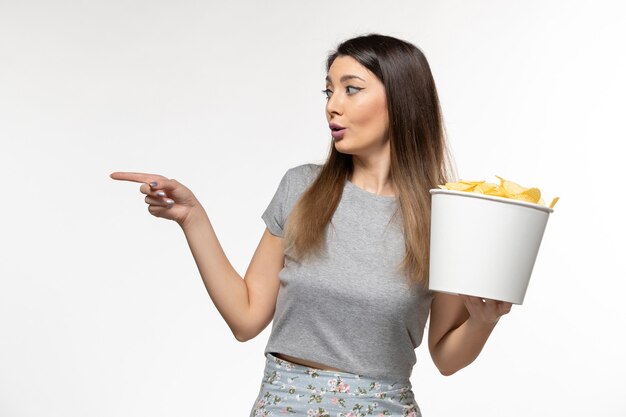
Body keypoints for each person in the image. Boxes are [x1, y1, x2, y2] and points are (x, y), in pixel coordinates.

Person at [110, 33, 512, 417]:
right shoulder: (301, 188)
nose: (332, 105)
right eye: (328, 90)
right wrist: (192, 217)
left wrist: (483, 320)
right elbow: (246, 317)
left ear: (401, 100)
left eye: (351, 89)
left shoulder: (447, 214)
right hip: (283, 403)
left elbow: (445, 356)